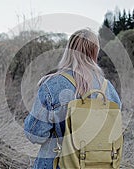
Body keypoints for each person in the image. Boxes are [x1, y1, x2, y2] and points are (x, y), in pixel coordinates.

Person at [24, 28, 122, 169]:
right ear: (95, 52)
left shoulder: (52, 85)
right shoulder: (109, 89)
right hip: (99, 164)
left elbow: (35, 135)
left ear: (69, 50)